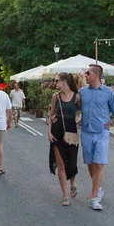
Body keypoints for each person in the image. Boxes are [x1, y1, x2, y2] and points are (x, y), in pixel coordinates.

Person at [79, 64, 114, 210]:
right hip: (86, 132)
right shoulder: (82, 92)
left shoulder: (109, 93)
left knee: (98, 164)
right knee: (90, 164)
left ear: (96, 75)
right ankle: (97, 189)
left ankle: (93, 199)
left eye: (87, 73)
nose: (85, 75)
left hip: (102, 133)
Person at [48, 72, 81, 206]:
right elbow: (51, 115)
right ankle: (65, 195)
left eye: (56, 81)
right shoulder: (55, 96)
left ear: (65, 82)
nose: (55, 83)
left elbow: (83, 112)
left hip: (71, 132)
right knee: (61, 164)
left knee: (72, 163)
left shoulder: (77, 97)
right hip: (57, 132)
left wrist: (79, 119)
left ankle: (72, 182)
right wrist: (49, 132)